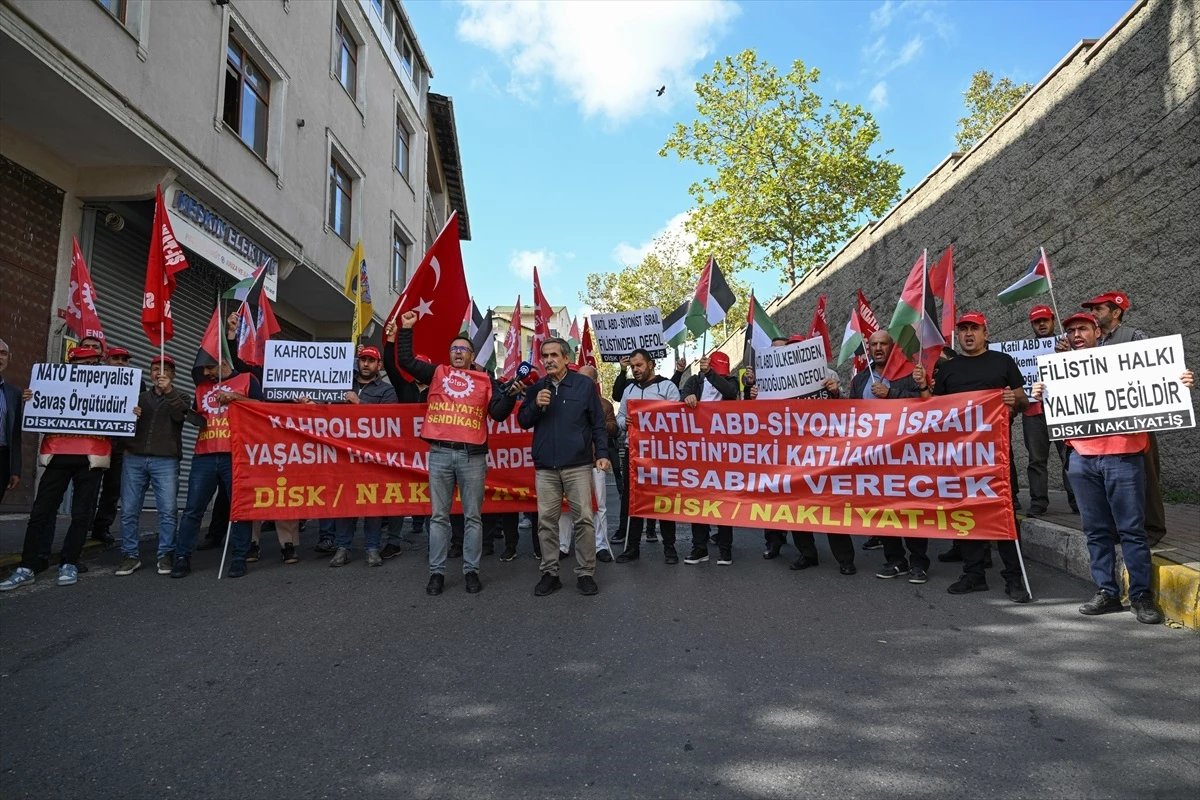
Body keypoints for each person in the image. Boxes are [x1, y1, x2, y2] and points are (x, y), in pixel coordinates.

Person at [1032, 312, 1194, 624]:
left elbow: (1162, 387)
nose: (1076, 334)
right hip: (1081, 458)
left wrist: (1181, 381)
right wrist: (1042, 393)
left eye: (1083, 328)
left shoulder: (1128, 360)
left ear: (1097, 332)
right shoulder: (1059, 371)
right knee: (1095, 530)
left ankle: (1140, 596)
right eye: (1071, 330)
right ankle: (1106, 591)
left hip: (1123, 456)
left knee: (1132, 530)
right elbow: (1048, 408)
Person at [393, 310, 516, 595]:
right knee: (439, 517)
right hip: (439, 454)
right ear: (449, 355)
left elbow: (497, 414)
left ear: (473, 356)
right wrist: (407, 328)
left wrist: (509, 396)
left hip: (472, 458)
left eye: (463, 349)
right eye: (454, 349)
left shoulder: (486, 379)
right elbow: (405, 362)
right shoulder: (437, 372)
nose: (458, 353)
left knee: (473, 517)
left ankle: (471, 571)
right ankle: (437, 573)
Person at [920, 312, 1031, 602]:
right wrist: (922, 386)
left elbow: (1023, 401)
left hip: (996, 454)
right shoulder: (948, 369)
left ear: (985, 331)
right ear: (958, 335)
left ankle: (1015, 577)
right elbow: (936, 411)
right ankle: (973, 574)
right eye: (964, 329)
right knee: (966, 512)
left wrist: (1012, 401)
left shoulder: (1002, 362)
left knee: (1004, 513)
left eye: (974, 328)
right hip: (961, 456)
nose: (968, 333)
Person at [1, 346, 109, 591]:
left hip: (91, 458)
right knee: (41, 511)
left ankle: (70, 562)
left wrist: (129, 414)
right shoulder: (53, 386)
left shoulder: (107, 388)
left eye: (94, 362)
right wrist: (32, 402)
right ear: (71, 365)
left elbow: (119, 418)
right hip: (58, 455)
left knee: (81, 515)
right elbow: (35, 419)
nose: (90, 367)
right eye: (84, 362)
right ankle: (27, 566)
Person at [519, 338, 610, 596]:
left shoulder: (583, 385)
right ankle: (550, 572)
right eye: (545, 355)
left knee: (583, 520)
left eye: (554, 355)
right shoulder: (537, 387)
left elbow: (598, 424)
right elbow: (523, 421)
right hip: (546, 467)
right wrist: (536, 405)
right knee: (547, 522)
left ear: (566, 359)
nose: (548, 360)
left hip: (578, 465)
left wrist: (601, 453)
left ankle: (585, 573)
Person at [1078, 291, 1166, 540]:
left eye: (1099, 309)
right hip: (1102, 426)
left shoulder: (1134, 337)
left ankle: (1152, 529)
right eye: (1091, 310)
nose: (1093, 314)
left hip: (1135, 420)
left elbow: (1155, 368)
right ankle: (1119, 527)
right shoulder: (1090, 341)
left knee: (1146, 474)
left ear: (1116, 312)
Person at [845, 331, 930, 583]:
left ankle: (918, 561)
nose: (878, 347)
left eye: (884, 343)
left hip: (906, 453)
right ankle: (895, 559)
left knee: (910, 508)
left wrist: (890, 394)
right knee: (883, 508)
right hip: (874, 456)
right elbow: (851, 415)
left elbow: (926, 406)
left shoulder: (909, 373)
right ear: (868, 348)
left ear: (892, 347)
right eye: (874, 344)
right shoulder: (860, 380)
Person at [171, 354, 262, 578]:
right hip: (205, 454)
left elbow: (262, 407)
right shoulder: (202, 387)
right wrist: (188, 415)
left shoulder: (247, 379)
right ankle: (182, 557)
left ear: (223, 363)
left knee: (239, 510)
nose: (206, 374)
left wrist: (234, 398)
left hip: (236, 454)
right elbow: (199, 416)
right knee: (193, 509)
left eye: (209, 368)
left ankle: (239, 558)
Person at [114, 355, 189, 577]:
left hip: (165, 461)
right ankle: (130, 555)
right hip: (134, 459)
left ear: (173, 375)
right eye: (155, 369)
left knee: (167, 510)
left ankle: (166, 553)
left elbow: (179, 416)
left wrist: (169, 392)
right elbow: (119, 423)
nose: (159, 373)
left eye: (165, 370)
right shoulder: (137, 398)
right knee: (128, 510)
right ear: (150, 373)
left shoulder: (181, 396)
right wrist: (125, 445)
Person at [330, 346, 398, 567]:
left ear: (379, 365)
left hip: (372, 457)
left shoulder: (387, 391)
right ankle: (343, 547)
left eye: (371, 360)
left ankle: (372, 548)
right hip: (343, 455)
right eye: (362, 360)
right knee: (345, 501)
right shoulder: (340, 384)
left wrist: (360, 404)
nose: (366, 364)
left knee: (372, 503)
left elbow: (390, 419)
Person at [615, 349, 682, 564]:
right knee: (633, 499)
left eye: (639, 365)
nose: (635, 369)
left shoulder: (667, 387)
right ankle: (632, 546)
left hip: (661, 454)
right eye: (633, 366)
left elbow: (677, 418)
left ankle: (669, 546)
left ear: (651, 364)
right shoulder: (629, 390)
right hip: (634, 453)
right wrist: (623, 424)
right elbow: (620, 416)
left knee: (664, 499)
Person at [680, 352, 739, 566]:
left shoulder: (730, 381)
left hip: (723, 451)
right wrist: (687, 398)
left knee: (723, 500)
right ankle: (700, 547)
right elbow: (681, 399)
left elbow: (731, 393)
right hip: (697, 451)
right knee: (698, 499)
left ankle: (725, 549)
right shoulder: (694, 382)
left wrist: (711, 374)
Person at [1021, 306, 1075, 516]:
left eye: (1045, 320)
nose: (1042, 324)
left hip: (1062, 410)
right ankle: (1038, 502)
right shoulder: (1021, 350)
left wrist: (1068, 355)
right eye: (1037, 322)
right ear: (1032, 325)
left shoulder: (1067, 345)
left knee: (1069, 457)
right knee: (1036, 460)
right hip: (1033, 412)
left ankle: (1077, 501)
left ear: (1053, 321)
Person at [90, 346, 136, 546]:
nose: (120, 362)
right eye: (116, 358)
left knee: (113, 488)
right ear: (107, 360)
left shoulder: (137, 383)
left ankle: (102, 528)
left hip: (120, 445)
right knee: (89, 487)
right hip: (95, 443)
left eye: (124, 360)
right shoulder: (93, 380)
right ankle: (83, 525)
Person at [0, 337, 23, 507]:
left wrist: (15, 469)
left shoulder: (13, 393)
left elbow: (15, 435)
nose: (0, 357)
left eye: (3, 353)